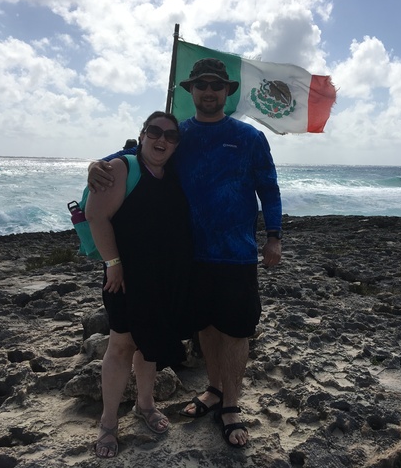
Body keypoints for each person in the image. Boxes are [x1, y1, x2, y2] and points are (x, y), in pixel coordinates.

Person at [88, 58, 282, 448]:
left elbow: (270, 188)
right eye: (201, 86)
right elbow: (138, 153)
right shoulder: (182, 135)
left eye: (216, 86)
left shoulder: (250, 138)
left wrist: (273, 236)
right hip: (189, 259)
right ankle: (212, 389)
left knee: (237, 331)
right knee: (206, 328)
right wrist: (97, 163)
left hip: (237, 254)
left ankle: (231, 405)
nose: (209, 92)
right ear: (190, 91)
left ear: (227, 92)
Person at [87, 111, 192, 458]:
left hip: (163, 277)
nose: (162, 140)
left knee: (150, 343)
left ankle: (145, 406)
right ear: (142, 135)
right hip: (125, 276)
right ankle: (107, 423)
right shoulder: (122, 167)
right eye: (155, 132)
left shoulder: (173, 173)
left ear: (177, 144)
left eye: (171, 136)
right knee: (120, 345)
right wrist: (113, 263)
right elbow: (95, 214)